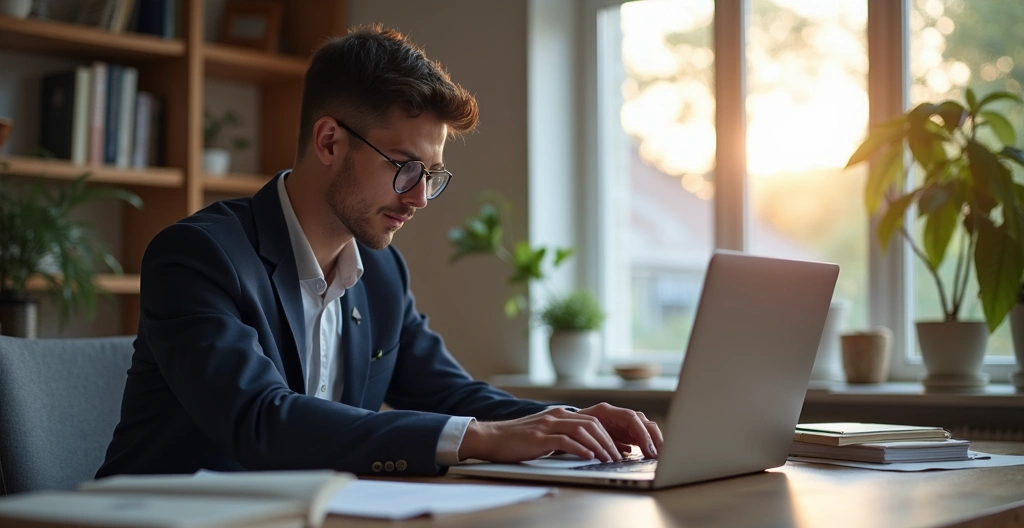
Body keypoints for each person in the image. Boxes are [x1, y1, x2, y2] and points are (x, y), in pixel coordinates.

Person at [97, 25, 662, 479]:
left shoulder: (382, 271)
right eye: (404, 167)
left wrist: (562, 421)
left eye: (432, 174)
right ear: (328, 141)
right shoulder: (197, 256)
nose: (419, 197)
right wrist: (480, 439)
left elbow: (448, 391)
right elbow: (260, 419)